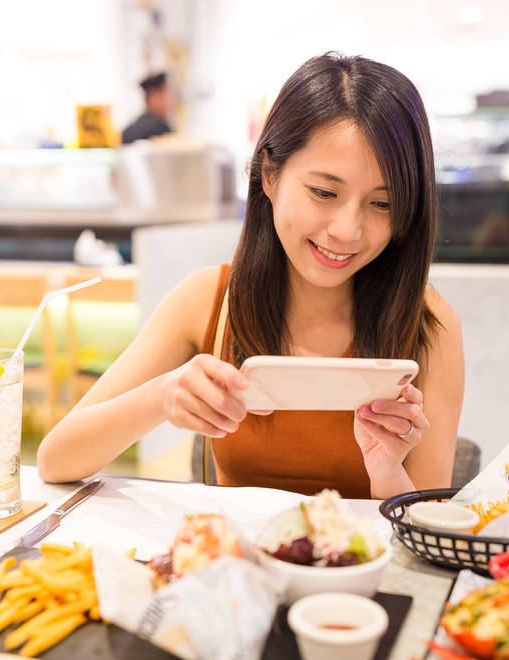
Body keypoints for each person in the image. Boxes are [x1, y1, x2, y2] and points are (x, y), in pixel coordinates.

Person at [38, 53, 464, 499]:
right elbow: (56, 459)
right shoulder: (209, 300)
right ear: (270, 174)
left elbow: (427, 524)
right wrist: (163, 397)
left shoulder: (429, 323)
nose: (347, 230)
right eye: (324, 192)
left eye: (382, 204)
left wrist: (387, 471)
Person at [121, 72, 173, 144]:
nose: (172, 101)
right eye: (167, 95)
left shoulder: (133, 127)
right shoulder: (158, 128)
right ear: (153, 96)